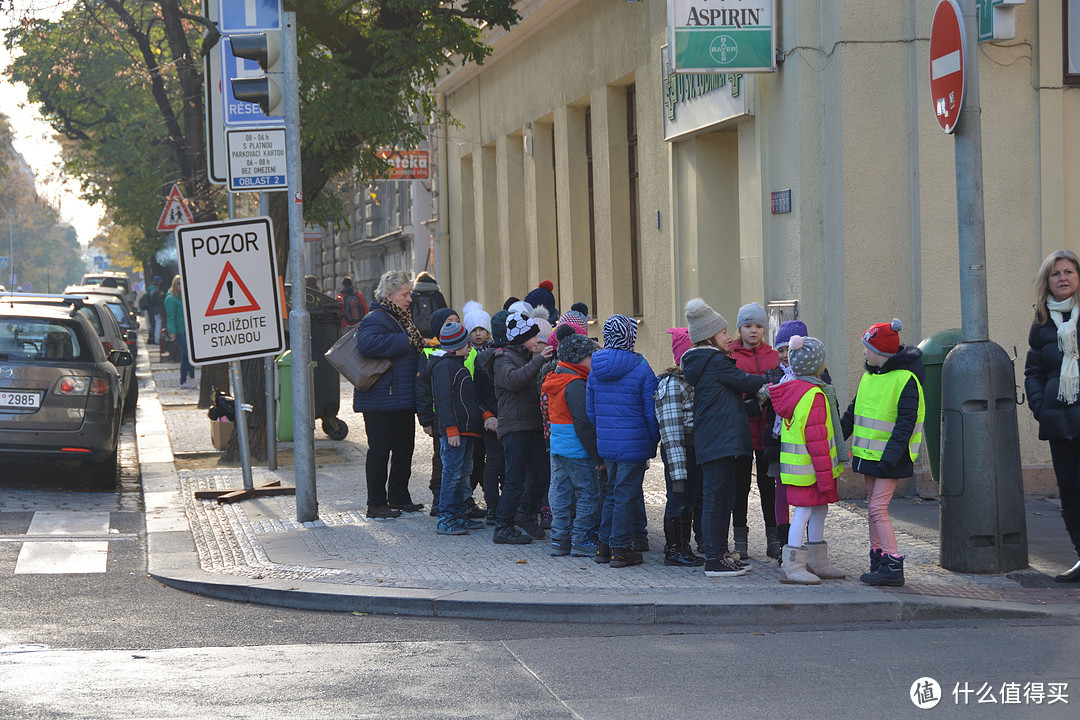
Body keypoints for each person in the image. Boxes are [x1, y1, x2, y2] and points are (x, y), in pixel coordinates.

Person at [681, 298, 766, 577]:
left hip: (717, 440)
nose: (728, 337)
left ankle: (721, 554)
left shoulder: (706, 361)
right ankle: (715, 559)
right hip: (719, 442)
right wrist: (774, 376)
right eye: (724, 332)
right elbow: (746, 381)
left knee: (722, 499)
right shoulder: (714, 361)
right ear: (710, 336)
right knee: (717, 501)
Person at [841, 318, 926, 588]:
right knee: (872, 509)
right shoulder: (869, 377)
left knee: (878, 509)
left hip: (890, 459)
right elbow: (853, 413)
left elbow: (905, 424)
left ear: (882, 353)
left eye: (868, 347)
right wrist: (835, 438)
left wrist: (890, 459)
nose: (864, 352)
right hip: (869, 457)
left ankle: (892, 564)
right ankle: (878, 560)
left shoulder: (906, 380)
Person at [768, 335, 846, 585]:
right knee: (803, 512)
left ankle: (817, 561)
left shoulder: (796, 390)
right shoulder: (814, 395)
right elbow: (818, 440)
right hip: (810, 470)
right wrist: (826, 477)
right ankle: (792, 566)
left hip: (800, 469)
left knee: (818, 509)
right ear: (819, 367)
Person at [586, 314, 659, 568]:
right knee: (626, 496)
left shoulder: (596, 368)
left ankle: (603, 548)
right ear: (631, 337)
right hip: (634, 444)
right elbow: (651, 413)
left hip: (607, 444)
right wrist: (653, 441)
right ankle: (621, 549)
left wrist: (606, 431)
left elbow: (591, 411)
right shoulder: (641, 367)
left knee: (611, 494)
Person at [1025, 249, 1080, 583]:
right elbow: (1034, 370)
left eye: (1069, 272)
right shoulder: (1042, 321)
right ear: (1047, 282)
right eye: (1055, 273)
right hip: (1060, 422)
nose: (1063, 278)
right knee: (1071, 495)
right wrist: (1039, 406)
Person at [353, 270, 426, 520]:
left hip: (402, 397)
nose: (410, 299)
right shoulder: (377, 318)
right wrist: (403, 341)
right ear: (389, 294)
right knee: (380, 452)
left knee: (405, 449)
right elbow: (367, 344)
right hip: (379, 400)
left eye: (409, 294)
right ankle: (375, 503)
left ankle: (399, 497)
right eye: (405, 294)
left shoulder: (401, 318)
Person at [482, 310, 554, 544]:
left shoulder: (524, 355)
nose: (537, 340)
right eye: (533, 336)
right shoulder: (502, 358)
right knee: (514, 480)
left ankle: (525, 513)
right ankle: (503, 526)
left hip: (532, 424)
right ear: (521, 338)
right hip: (514, 428)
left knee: (542, 474)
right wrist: (539, 360)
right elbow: (513, 380)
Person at [728, 301, 780, 560]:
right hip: (742, 430)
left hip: (768, 431)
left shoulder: (773, 355)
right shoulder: (731, 355)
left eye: (759, 326)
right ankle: (740, 540)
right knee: (740, 486)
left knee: (768, 486)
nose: (753, 331)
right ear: (740, 328)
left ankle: (774, 539)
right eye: (748, 325)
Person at [542, 324, 600, 557]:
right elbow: (583, 424)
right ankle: (581, 539)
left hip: (559, 446)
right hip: (577, 449)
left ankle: (559, 539)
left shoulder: (557, 378)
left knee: (563, 494)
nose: (593, 361)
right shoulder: (575, 384)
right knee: (589, 493)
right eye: (590, 356)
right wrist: (596, 454)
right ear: (578, 359)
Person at [430, 321, 489, 536]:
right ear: (455, 347)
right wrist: (452, 430)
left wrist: (485, 414)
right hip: (455, 432)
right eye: (466, 344)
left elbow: (469, 399)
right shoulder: (445, 367)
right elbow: (444, 401)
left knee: (463, 473)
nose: (470, 347)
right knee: (452, 474)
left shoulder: (458, 366)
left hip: (467, 430)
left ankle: (458, 514)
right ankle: (446, 518)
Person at [655, 327, 704, 567]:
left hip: (693, 450)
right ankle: (674, 549)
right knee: (678, 497)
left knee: (690, 499)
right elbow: (671, 430)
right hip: (679, 450)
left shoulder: (691, 381)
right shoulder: (673, 384)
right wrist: (678, 468)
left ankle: (684, 545)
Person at [415, 306, 460, 516]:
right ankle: (439, 496)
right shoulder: (429, 353)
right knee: (441, 458)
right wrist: (426, 419)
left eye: (456, 320)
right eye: (448, 322)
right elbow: (422, 390)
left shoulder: (466, 350)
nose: (454, 324)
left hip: (465, 416)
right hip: (441, 417)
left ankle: (462, 499)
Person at [164, 275, 195, 389]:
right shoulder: (171, 299)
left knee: (186, 355)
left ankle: (185, 380)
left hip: (185, 330)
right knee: (189, 354)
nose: (181, 286)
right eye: (179, 284)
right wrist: (172, 332)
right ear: (174, 284)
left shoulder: (182, 297)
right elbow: (170, 317)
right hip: (178, 331)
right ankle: (189, 378)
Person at [411, 272, 448, 339]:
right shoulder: (437, 295)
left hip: (417, 334)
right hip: (436, 333)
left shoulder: (413, 296)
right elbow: (445, 314)